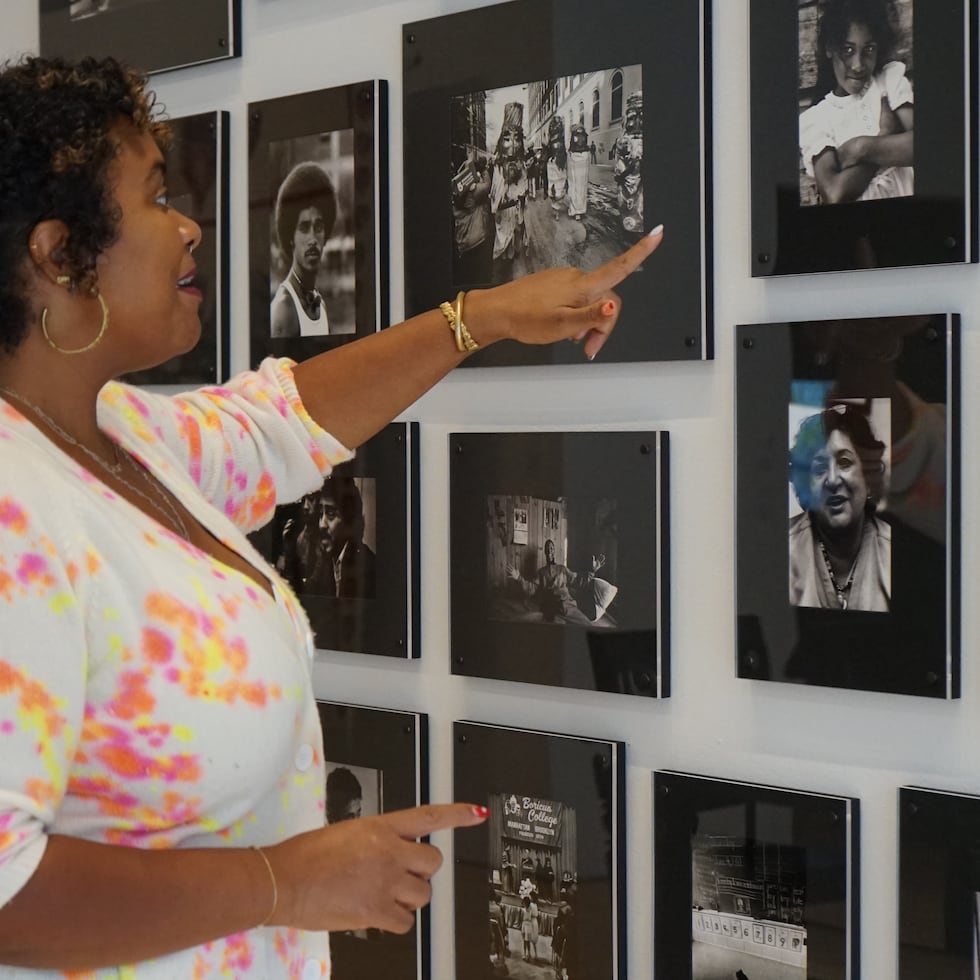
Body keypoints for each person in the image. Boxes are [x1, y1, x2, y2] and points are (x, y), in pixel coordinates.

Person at [0, 54, 663, 977]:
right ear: (59, 252)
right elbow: (8, 899)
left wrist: (483, 317)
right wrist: (289, 883)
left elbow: (283, 421)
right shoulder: (12, 513)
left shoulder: (119, 433)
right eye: (156, 197)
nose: (189, 227)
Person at [799, 0, 913, 205]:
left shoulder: (888, 80)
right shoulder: (816, 120)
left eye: (868, 49)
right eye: (848, 50)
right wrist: (886, 135)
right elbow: (834, 194)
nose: (858, 65)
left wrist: (861, 148)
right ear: (829, 48)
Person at [788, 403, 891, 611]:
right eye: (820, 468)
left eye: (844, 462)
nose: (833, 480)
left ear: (869, 476)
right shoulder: (783, 551)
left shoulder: (894, 550)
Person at [270, 161, 336, 337]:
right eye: (304, 228)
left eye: (319, 227)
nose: (313, 239)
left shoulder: (320, 305)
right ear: (291, 237)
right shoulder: (284, 308)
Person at [296, 475, 377, 599]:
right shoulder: (326, 558)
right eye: (320, 514)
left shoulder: (368, 567)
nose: (321, 524)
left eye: (331, 514)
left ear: (348, 521)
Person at [506, 538, 607, 623]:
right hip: (552, 608)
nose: (549, 551)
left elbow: (577, 579)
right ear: (545, 552)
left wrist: (592, 571)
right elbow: (532, 588)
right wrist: (518, 577)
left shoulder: (562, 569)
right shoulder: (541, 572)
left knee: (586, 626)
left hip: (568, 606)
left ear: (554, 551)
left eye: (551, 548)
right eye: (547, 549)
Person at [489, 102, 529, 282]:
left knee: (513, 248)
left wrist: (520, 198)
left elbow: (523, 190)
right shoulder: (497, 167)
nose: (512, 144)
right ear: (501, 140)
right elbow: (495, 199)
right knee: (501, 252)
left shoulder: (522, 166)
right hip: (502, 216)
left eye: (517, 138)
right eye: (507, 138)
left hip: (515, 215)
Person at [451, 153, 493, 287]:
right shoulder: (472, 195)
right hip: (477, 242)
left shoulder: (456, 195)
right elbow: (487, 185)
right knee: (481, 278)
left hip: (463, 244)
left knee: (467, 278)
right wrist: (483, 168)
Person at [613, 90, 644, 233]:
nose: (637, 122)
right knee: (627, 202)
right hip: (628, 176)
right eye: (632, 117)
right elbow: (620, 159)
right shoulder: (624, 140)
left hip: (639, 179)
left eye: (641, 116)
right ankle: (628, 224)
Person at [546, 115, 568, 220]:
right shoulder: (551, 141)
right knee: (553, 187)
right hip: (552, 166)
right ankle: (555, 209)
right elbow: (548, 152)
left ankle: (556, 209)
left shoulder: (561, 141)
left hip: (559, 166)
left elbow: (563, 152)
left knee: (559, 188)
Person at [566, 124, 590, 221]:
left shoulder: (586, 151)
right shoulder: (571, 153)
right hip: (574, 174)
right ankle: (575, 210)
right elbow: (569, 168)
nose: (580, 139)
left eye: (582, 137)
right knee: (574, 187)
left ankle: (581, 210)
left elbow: (588, 167)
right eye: (577, 137)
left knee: (583, 189)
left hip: (583, 174)